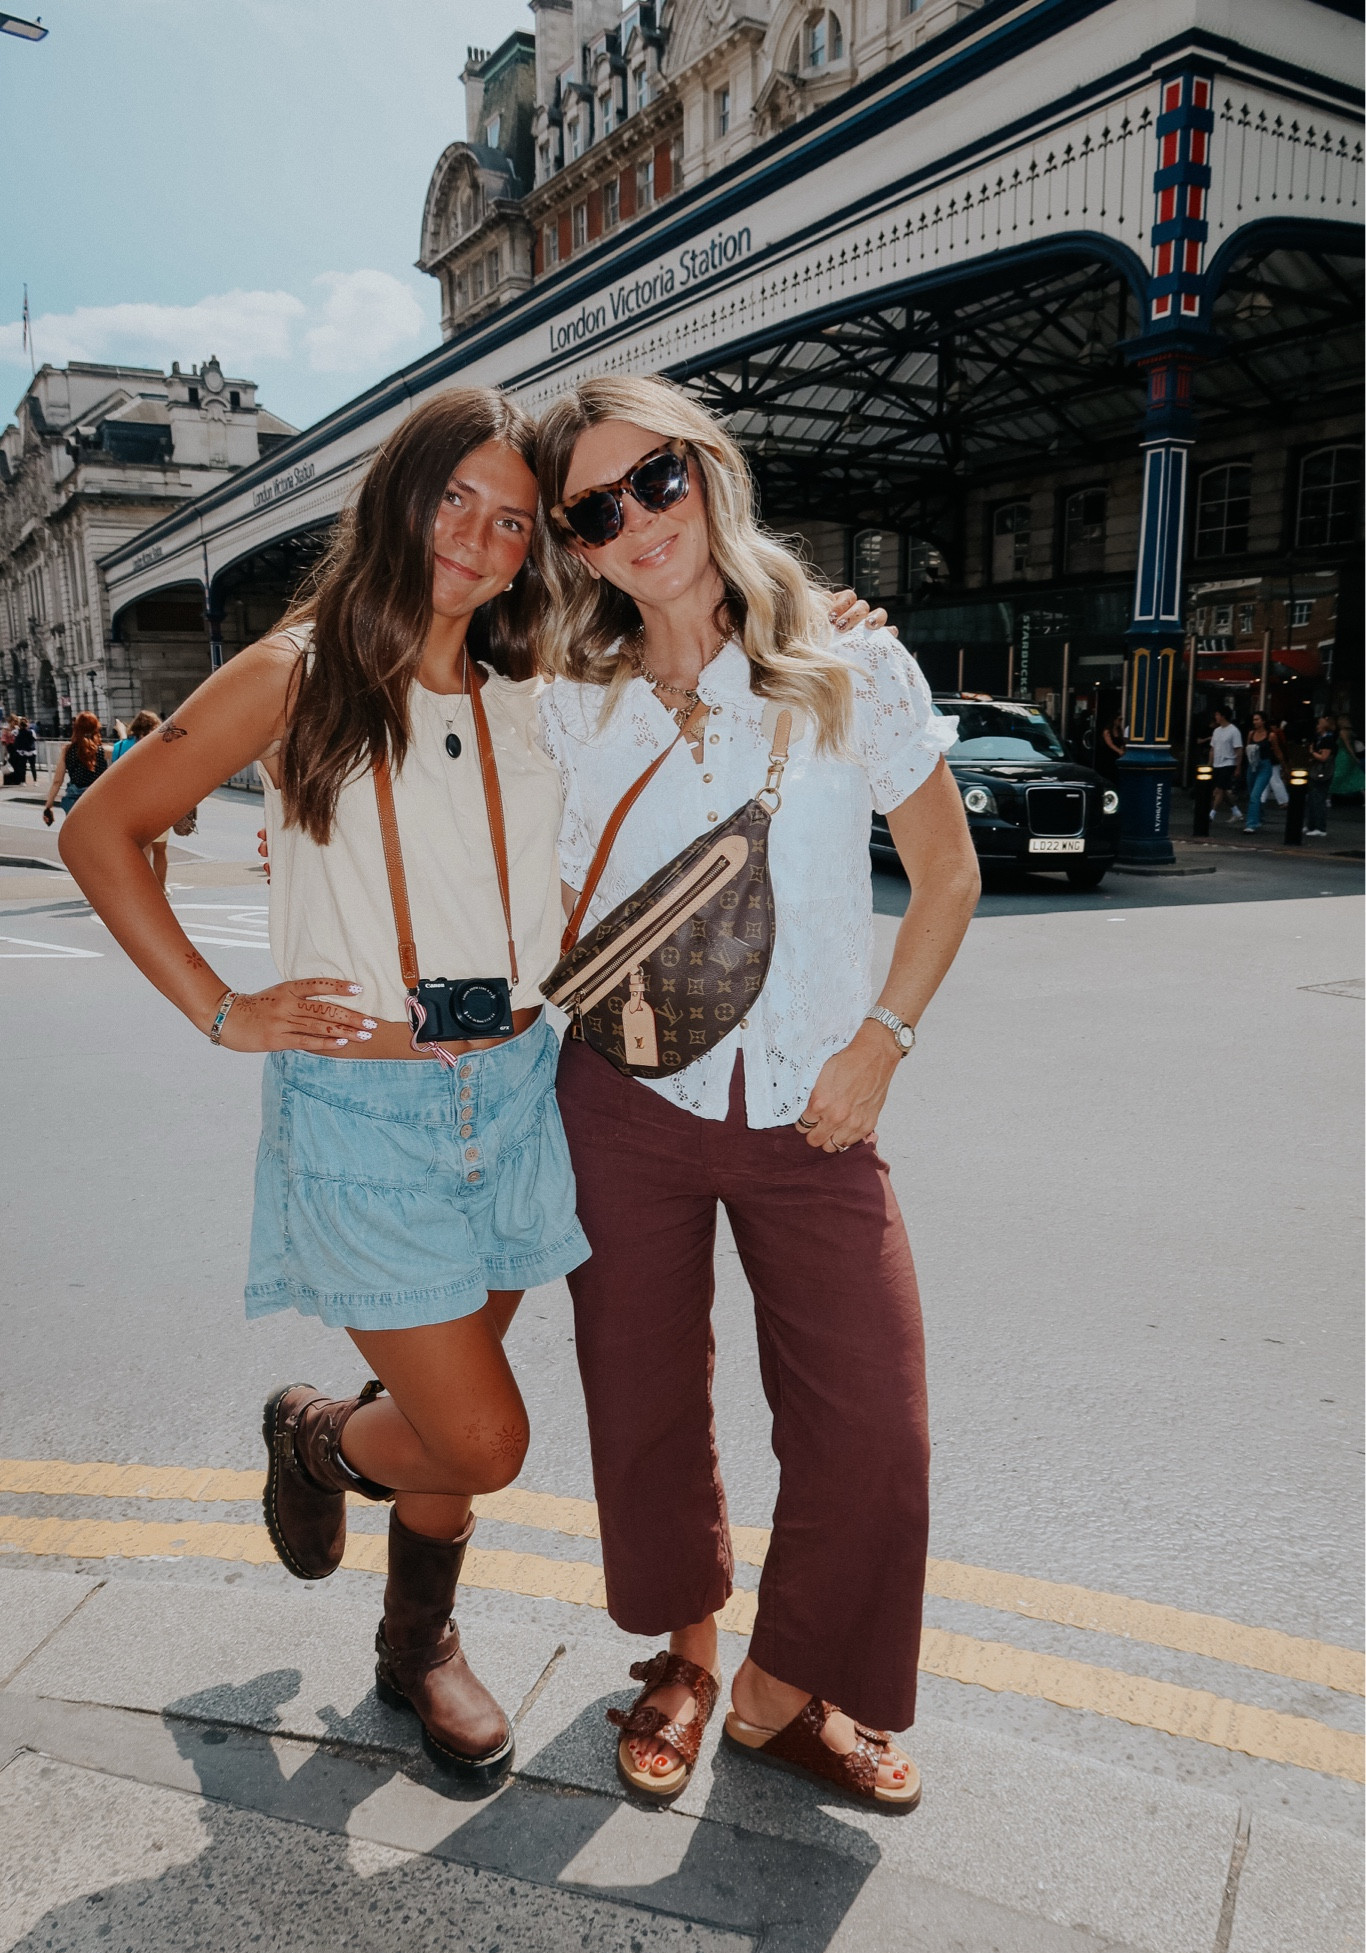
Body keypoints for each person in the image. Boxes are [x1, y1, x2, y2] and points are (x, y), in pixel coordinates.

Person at [60, 388, 592, 1786]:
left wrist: (829, 626)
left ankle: (414, 1648)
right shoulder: (296, 674)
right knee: (479, 1435)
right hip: (368, 1110)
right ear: (396, 497)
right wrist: (224, 1010)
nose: (476, 541)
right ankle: (313, 1434)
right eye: (453, 500)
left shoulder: (541, 696)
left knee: (449, 1421)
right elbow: (100, 829)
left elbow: (706, 674)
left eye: (511, 521)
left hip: (520, 1089)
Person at [535, 375, 979, 1811]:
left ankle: (787, 1695)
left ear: (706, 468)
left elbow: (946, 874)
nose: (637, 523)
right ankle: (682, 1657)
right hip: (620, 1099)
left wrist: (883, 1041)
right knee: (645, 1398)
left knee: (872, 1425)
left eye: (654, 480)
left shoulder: (851, 664)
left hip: (815, 1106)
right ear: (576, 545)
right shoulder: (566, 702)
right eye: (596, 510)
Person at [111, 709, 173, 887]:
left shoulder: (120, 747)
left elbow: (114, 777)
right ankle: (161, 889)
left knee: (142, 849)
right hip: (159, 803)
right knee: (160, 849)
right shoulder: (161, 746)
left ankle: (146, 890)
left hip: (132, 804)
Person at [42, 711, 108, 823]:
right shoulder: (104, 751)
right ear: (96, 728)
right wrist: (122, 733)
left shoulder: (67, 750)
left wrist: (48, 806)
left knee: (76, 835)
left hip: (74, 800)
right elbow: (126, 753)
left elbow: (57, 781)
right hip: (97, 797)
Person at [1241, 710, 1285, 834]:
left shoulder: (1271, 735)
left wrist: (1284, 768)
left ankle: (1251, 823)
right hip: (1252, 765)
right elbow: (1247, 749)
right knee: (1252, 793)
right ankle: (1259, 816)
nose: (1255, 722)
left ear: (1263, 721)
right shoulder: (1251, 734)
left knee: (1255, 794)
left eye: (1257, 719)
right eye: (1254, 719)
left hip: (1265, 765)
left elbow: (1277, 752)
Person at [1207, 706, 1243, 824]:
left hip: (1228, 762)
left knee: (1219, 789)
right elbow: (1212, 749)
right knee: (1223, 790)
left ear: (1223, 716)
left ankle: (1212, 814)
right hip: (1217, 764)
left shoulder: (1233, 731)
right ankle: (1236, 812)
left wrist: (1238, 766)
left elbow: (1238, 749)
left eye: (1217, 715)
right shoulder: (1216, 731)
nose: (1216, 717)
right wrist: (1209, 764)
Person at [1305, 713, 1337, 836]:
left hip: (1322, 772)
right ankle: (1312, 825)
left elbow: (1324, 757)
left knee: (1318, 799)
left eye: (1319, 724)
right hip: (1318, 771)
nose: (1317, 726)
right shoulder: (1321, 738)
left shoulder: (1327, 740)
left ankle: (1320, 827)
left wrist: (1312, 752)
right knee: (1313, 799)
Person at [11, 715, 38, 784]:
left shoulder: (17, 732)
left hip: (22, 751)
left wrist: (16, 728)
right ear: (27, 724)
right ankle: (35, 781)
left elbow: (12, 734)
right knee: (33, 767)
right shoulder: (31, 731)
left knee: (23, 767)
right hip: (32, 751)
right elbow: (35, 739)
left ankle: (23, 781)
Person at [1098, 713, 1125, 781]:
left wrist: (1122, 749)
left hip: (1117, 756)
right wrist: (1119, 751)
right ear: (1114, 720)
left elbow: (1121, 741)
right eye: (1119, 720)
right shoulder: (1107, 731)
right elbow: (1110, 744)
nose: (1120, 722)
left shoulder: (1119, 731)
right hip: (1109, 754)